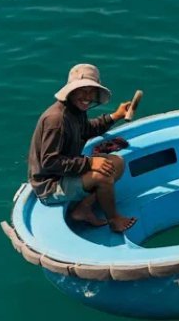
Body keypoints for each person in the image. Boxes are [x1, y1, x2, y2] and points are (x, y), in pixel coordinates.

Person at [27, 64, 136, 233]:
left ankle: (83, 209)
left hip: (66, 172)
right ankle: (114, 220)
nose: (87, 96)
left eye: (91, 91)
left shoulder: (75, 110)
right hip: (50, 185)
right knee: (102, 176)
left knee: (118, 163)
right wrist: (89, 163)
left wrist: (115, 116)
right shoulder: (56, 120)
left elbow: (87, 129)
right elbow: (49, 162)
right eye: (82, 90)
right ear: (71, 91)